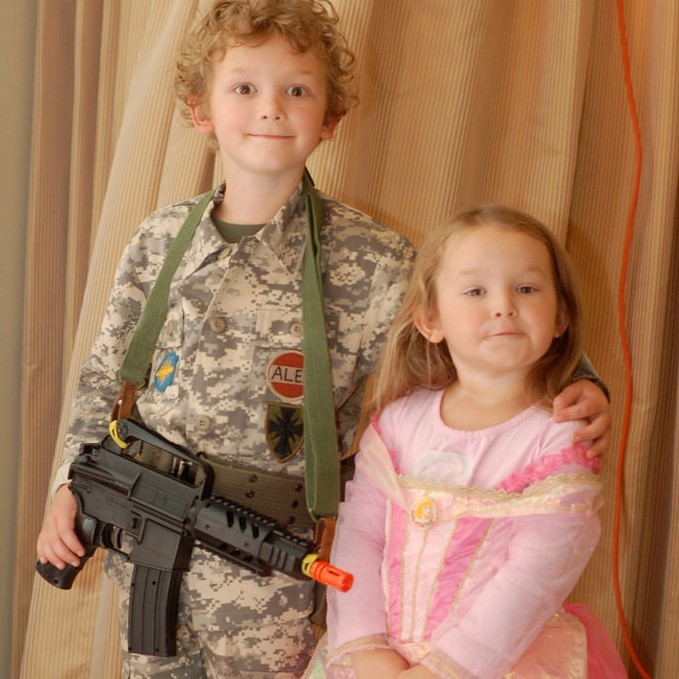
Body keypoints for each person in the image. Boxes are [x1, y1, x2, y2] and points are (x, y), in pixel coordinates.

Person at [35, 1, 611, 677]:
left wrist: (579, 379)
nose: (270, 108)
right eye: (244, 87)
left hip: (269, 572)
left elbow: (472, 323)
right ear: (200, 111)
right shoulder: (159, 240)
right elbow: (104, 375)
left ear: (330, 119)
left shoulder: (371, 258)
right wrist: (68, 483)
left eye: (297, 90)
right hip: (147, 543)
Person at [316, 206, 627, 678]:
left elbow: (532, 578)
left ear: (561, 316)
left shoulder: (559, 439)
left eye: (526, 288)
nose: (503, 305)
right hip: (376, 663)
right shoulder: (398, 423)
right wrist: (365, 647)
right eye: (476, 290)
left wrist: (444, 670)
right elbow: (359, 538)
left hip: (496, 663)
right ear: (429, 320)